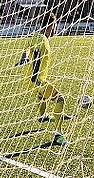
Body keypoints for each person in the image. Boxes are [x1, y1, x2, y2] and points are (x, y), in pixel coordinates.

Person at [18, 13, 67, 145]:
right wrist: (37, 80)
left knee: (42, 96)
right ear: (51, 25)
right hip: (36, 79)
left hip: (30, 79)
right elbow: (38, 61)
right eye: (55, 25)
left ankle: (41, 117)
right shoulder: (44, 42)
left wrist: (24, 56)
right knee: (60, 99)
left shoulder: (35, 35)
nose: (56, 28)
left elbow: (27, 47)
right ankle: (58, 135)